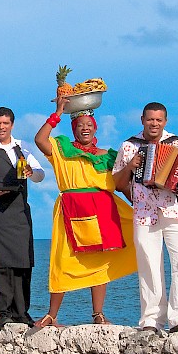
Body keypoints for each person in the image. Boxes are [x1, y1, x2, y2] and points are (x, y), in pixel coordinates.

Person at [32, 97, 138, 327]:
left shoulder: (108, 156)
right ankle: (52, 314)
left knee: (101, 263)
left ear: (95, 128)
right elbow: (40, 140)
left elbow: (122, 185)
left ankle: (98, 314)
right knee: (62, 260)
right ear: (74, 129)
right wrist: (57, 113)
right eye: (80, 125)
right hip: (71, 210)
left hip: (104, 210)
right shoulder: (62, 150)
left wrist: (139, 209)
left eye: (89, 124)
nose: (85, 128)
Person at [112, 102, 178, 335]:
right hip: (144, 212)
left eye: (159, 120)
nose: (154, 124)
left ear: (165, 121)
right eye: (150, 119)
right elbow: (117, 183)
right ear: (142, 120)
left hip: (173, 210)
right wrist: (130, 167)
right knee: (148, 264)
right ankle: (151, 319)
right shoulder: (129, 146)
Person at [0, 107, 45, 327]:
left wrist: (32, 173)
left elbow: (40, 175)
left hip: (20, 212)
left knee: (23, 262)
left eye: (5, 123)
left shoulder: (24, 149)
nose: (1, 127)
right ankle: (3, 313)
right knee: (0, 263)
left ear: (12, 124)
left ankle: (22, 312)